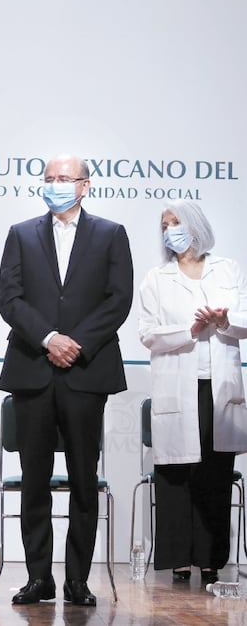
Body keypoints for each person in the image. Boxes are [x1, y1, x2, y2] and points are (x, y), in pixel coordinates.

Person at [0, 154, 133, 607]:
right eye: (49, 178)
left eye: (65, 178)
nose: (55, 184)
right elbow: (10, 299)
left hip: (85, 371)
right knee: (34, 479)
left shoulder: (111, 234)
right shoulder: (20, 234)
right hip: (33, 369)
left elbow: (118, 300)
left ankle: (77, 579)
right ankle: (39, 578)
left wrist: (76, 343)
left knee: (82, 479)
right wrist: (49, 338)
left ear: (85, 185)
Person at [137, 200, 247, 585]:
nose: (170, 230)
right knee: (176, 475)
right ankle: (179, 559)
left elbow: (246, 321)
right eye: (165, 225)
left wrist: (224, 320)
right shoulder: (156, 277)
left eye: (176, 222)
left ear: (196, 225)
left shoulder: (227, 269)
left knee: (215, 476)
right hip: (177, 389)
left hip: (219, 388)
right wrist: (191, 329)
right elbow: (148, 333)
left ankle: (211, 560)